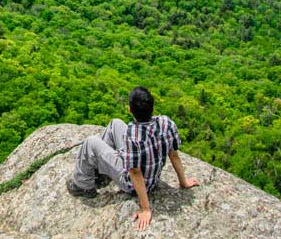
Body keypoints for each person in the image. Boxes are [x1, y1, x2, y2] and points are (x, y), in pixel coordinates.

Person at [67, 86, 199, 230]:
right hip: (151, 177)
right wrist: (183, 182)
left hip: (134, 184)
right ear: (152, 108)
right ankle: (103, 174)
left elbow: (135, 172)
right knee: (115, 124)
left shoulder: (134, 135)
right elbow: (174, 155)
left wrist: (145, 208)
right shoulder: (166, 123)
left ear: (130, 110)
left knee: (90, 142)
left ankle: (83, 186)